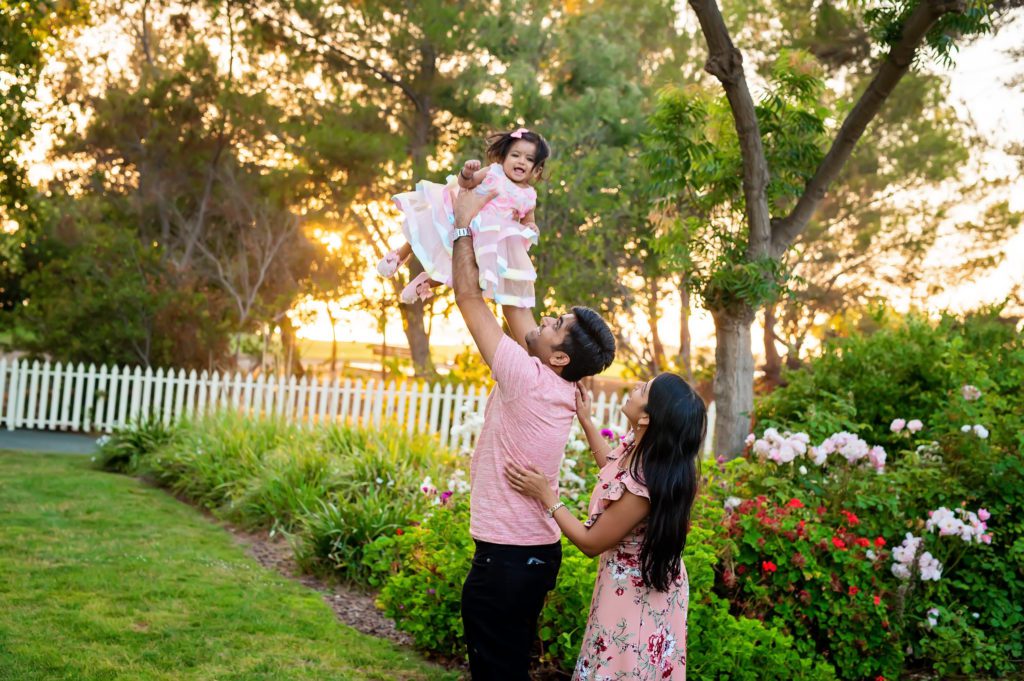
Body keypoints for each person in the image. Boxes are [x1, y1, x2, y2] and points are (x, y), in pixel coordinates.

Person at [447, 185, 616, 680]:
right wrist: (515, 227)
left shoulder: (526, 378)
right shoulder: (551, 381)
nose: (547, 316)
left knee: (496, 672)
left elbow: (468, 297)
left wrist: (463, 223)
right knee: (509, 667)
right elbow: (517, 303)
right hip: (532, 555)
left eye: (557, 322)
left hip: (507, 561)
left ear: (559, 356)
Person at [506, 373, 706, 680]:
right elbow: (614, 474)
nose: (636, 388)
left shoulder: (645, 488)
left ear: (647, 418)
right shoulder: (644, 453)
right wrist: (586, 421)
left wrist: (545, 494)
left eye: (644, 390)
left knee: (622, 667)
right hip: (630, 583)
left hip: (638, 593)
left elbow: (590, 542)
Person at [378, 127, 550, 306]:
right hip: (463, 217)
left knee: (466, 271)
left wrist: (531, 227)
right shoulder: (494, 172)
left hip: (486, 239)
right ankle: (400, 255)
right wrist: (467, 172)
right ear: (503, 157)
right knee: (428, 226)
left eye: (529, 159)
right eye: (515, 155)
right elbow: (467, 183)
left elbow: (528, 220)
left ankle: (425, 283)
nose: (521, 161)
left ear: (536, 170)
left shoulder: (528, 196)